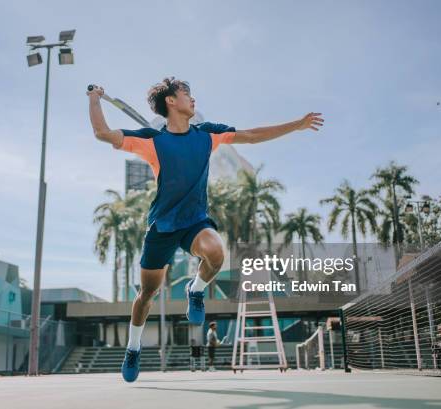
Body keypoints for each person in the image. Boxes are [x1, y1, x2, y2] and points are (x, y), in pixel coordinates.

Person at [87, 77, 324, 382]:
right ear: (171, 101)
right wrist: (95, 99)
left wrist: (297, 125)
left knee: (215, 252)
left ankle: (195, 290)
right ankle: (133, 348)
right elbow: (102, 133)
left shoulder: (208, 134)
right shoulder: (151, 140)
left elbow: (251, 135)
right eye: (186, 93)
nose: (192, 98)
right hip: (163, 226)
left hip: (196, 222)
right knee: (147, 294)